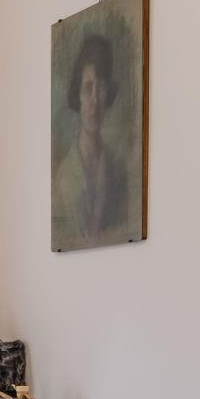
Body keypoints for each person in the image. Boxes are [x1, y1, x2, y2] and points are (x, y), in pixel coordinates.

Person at [51, 33, 137, 250]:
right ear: (78, 96)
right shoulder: (63, 178)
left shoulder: (118, 169)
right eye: (88, 88)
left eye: (102, 88)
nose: (95, 100)